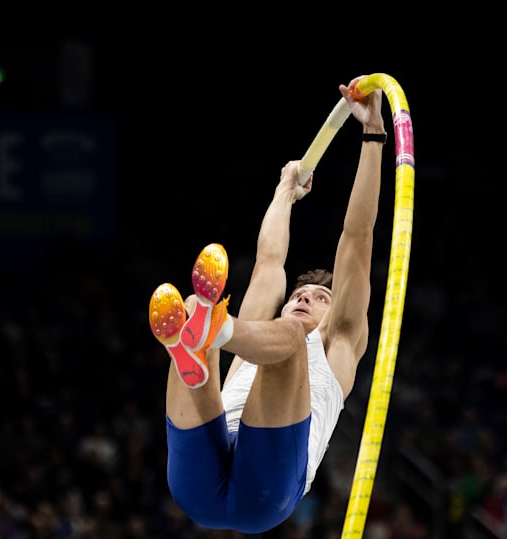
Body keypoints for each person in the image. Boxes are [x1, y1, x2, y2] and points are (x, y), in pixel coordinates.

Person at [147, 74, 386, 534]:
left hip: (267, 494)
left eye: (320, 298)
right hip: (200, 480)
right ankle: (195, 340)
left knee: (286, 340)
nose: (304, 298)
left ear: (335, 313)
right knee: (204, 318)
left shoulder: (339, 342)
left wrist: (373, 135)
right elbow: (269, 260)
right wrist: (285, 191)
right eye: (299, 295)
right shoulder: (260, 337)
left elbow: (357, 236)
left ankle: (210, 333)